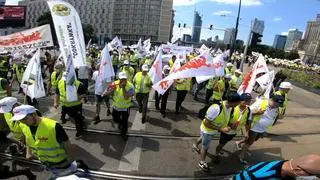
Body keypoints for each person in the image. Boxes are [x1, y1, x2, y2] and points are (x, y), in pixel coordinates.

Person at [11, 105, 75, 177]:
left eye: (24, 119)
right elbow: (28, 137)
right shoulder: (24, 125)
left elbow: (66, 144)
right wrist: (28, 152)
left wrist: (70, 159)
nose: (22, 122)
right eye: (20, 120)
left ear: (34, 114)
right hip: (45, 162)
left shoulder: (53, 126)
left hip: (61, 163)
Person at [192, 92, 242, 171]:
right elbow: (206, 122)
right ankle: (202, 162)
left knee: (202, 138)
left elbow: (227, 119)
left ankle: (195, 145)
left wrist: (231, 125)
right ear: (233, 102)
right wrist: (220, 129)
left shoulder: (231, 108)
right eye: (237, 103)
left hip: (213, 130)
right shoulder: (216, 108)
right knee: (205, 147)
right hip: (207, 130)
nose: (238, 105)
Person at [238, 94, 285, 164]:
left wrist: (266, 129)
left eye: (279, 105)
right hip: (254, 128)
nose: (277, 106)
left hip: (262, 129)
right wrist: (257, 113)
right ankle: (241, 155)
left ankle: (238, 142)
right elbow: (247, 112)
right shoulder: (261, 103)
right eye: (276, 104)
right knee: (249, 142)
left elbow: (274, 118)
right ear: (271, 100)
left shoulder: (277, 108)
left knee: (252, 140)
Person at [214, 93, 252, 161]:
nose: (247, 102)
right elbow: (225, 118)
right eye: (246, 100)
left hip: (235, 132)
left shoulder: (248, 110)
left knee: (226, 141)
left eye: (249, 101)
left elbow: (248, 122)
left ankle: (220, 149)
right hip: (226, 131)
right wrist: (230, 126)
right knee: (221, 144)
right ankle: (216, 154)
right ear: (240, 100)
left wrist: (247, 132)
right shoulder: (232, 107)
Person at [233, 154, 320, 180]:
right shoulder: (256, 176)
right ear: (297, 170)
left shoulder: (287, 166)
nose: (314, 178)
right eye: (315, 175)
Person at [103, 72, 134, 140]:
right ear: (119, 78)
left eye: (124, 79)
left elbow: (126, 97)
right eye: (121, 79)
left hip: (125, 107)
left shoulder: (130, 86)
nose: (122, 80)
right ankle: (120, 123)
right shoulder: (115, 83)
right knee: (115, 119)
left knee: (125, 121)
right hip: (116, 106)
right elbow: (108, 91)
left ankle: (124, 133)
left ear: (126, 79)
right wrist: (108, 92)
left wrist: (123, 88)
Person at [54, 72, 86, 139]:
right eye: (65, 80)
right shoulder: (60, 82)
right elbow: (57, 93)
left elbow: (84, 95)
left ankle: (79, 132)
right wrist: (56, 102)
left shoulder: (78, 84)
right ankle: (78, 118)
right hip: (65, 105)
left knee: (78, 119)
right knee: (73, 116)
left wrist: (77, 97)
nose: (65, 82)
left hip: (76, 106)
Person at [0, 77, 11, 143]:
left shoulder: (3, 81)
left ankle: (3, 138)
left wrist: (9, 104)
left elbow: (9, 94)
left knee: (3, 123)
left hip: (3, 107)